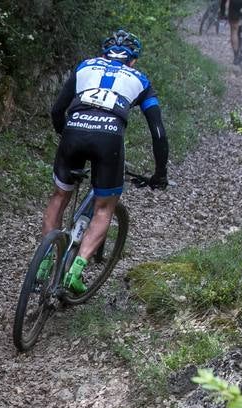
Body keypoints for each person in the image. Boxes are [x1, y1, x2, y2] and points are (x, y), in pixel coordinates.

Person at [40, 29, 169, 294]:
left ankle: (43, 262)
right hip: (109, 140)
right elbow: (158, 132)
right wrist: (160, 172)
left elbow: (56, 110)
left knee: (58, 197)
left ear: (103, 54)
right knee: (104, 208)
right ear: (133, 61)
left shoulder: (85, 66)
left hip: (73, 132)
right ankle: (76, 271)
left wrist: (66, 134)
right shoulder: (141, 80)